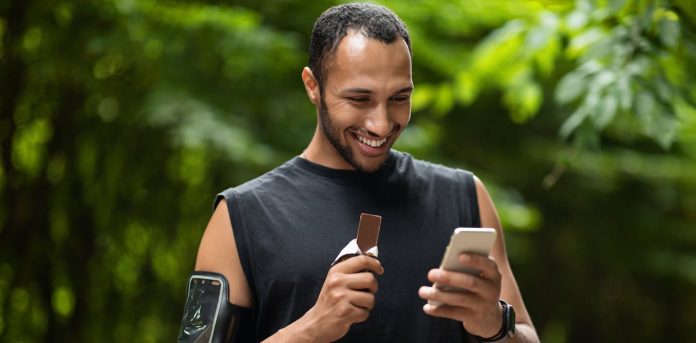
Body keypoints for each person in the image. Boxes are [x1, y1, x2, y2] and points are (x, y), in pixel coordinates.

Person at [192, 3, 539, 342]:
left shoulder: (466, 197)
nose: (381, 123)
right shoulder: (240, 218)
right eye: (360, 99)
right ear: (313, 86)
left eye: (399, 98)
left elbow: (524, 335)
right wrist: (312, 328)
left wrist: (494, 323)